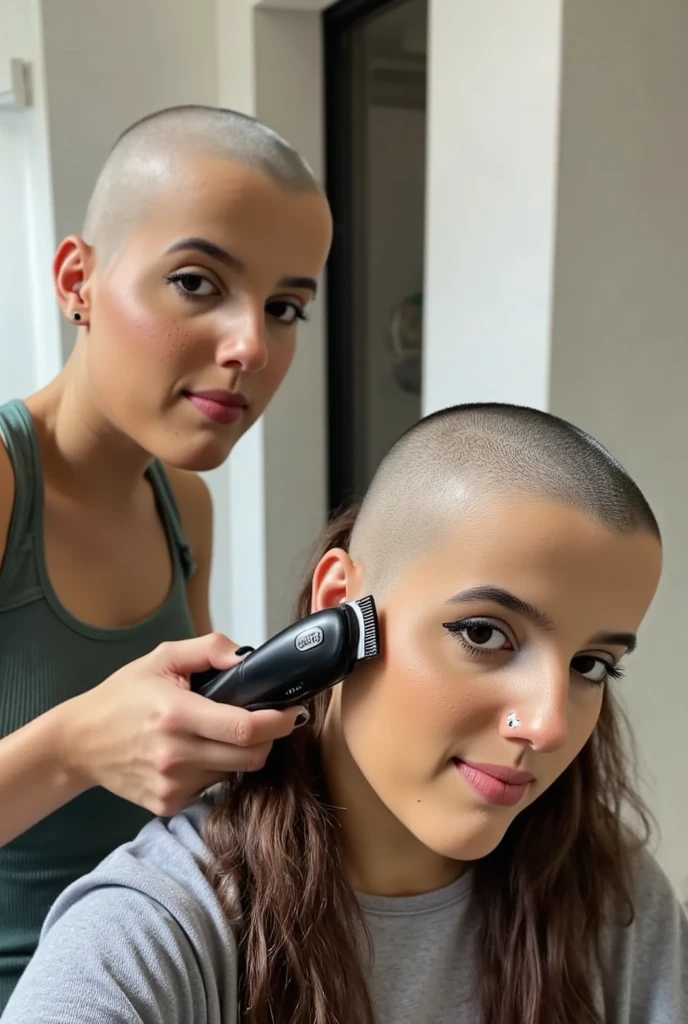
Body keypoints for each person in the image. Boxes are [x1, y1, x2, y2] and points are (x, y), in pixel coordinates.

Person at [2, 402, 686, 1024]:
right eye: (483, 633)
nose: (549, 725)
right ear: (339, 604)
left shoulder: (616, 909)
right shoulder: (153, 932)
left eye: (591, 665)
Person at [0, 104, 332, 1007]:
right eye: (196, 282)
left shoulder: (184, 503)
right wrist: (76, 746)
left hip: (162, 975)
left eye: (286, 306)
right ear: (79, 279)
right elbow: (97, 753)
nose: (252, 346)